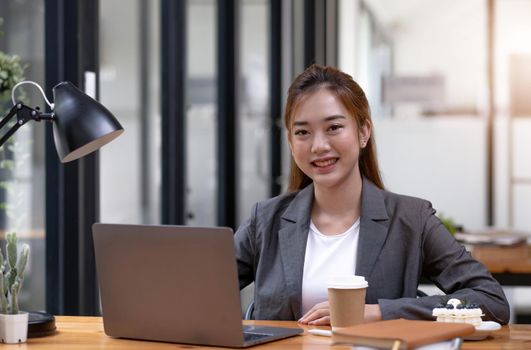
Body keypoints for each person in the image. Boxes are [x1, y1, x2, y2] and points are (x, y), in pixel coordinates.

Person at [234, 64, 510, 326]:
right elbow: (200, 294)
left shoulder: (411, 219)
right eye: (303, 132)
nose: (318, 145)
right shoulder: (267, 219)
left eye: (334, 127)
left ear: (363, 131)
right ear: (291, 142)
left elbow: (491, 301)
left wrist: (379, 312)